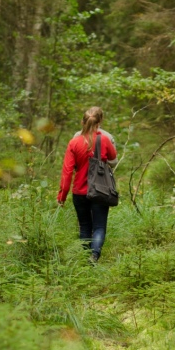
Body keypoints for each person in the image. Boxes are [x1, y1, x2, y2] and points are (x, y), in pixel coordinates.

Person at [58, 107, 117, 263]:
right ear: (100, 122)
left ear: (82, 122)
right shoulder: (104, 139)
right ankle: (94, 256)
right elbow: (113, 157)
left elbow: (67, 172)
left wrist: (62, 195)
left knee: (84, 226)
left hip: (79, 192)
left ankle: (85, 259)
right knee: (99, 226)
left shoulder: (74, 142)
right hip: (100, 190)